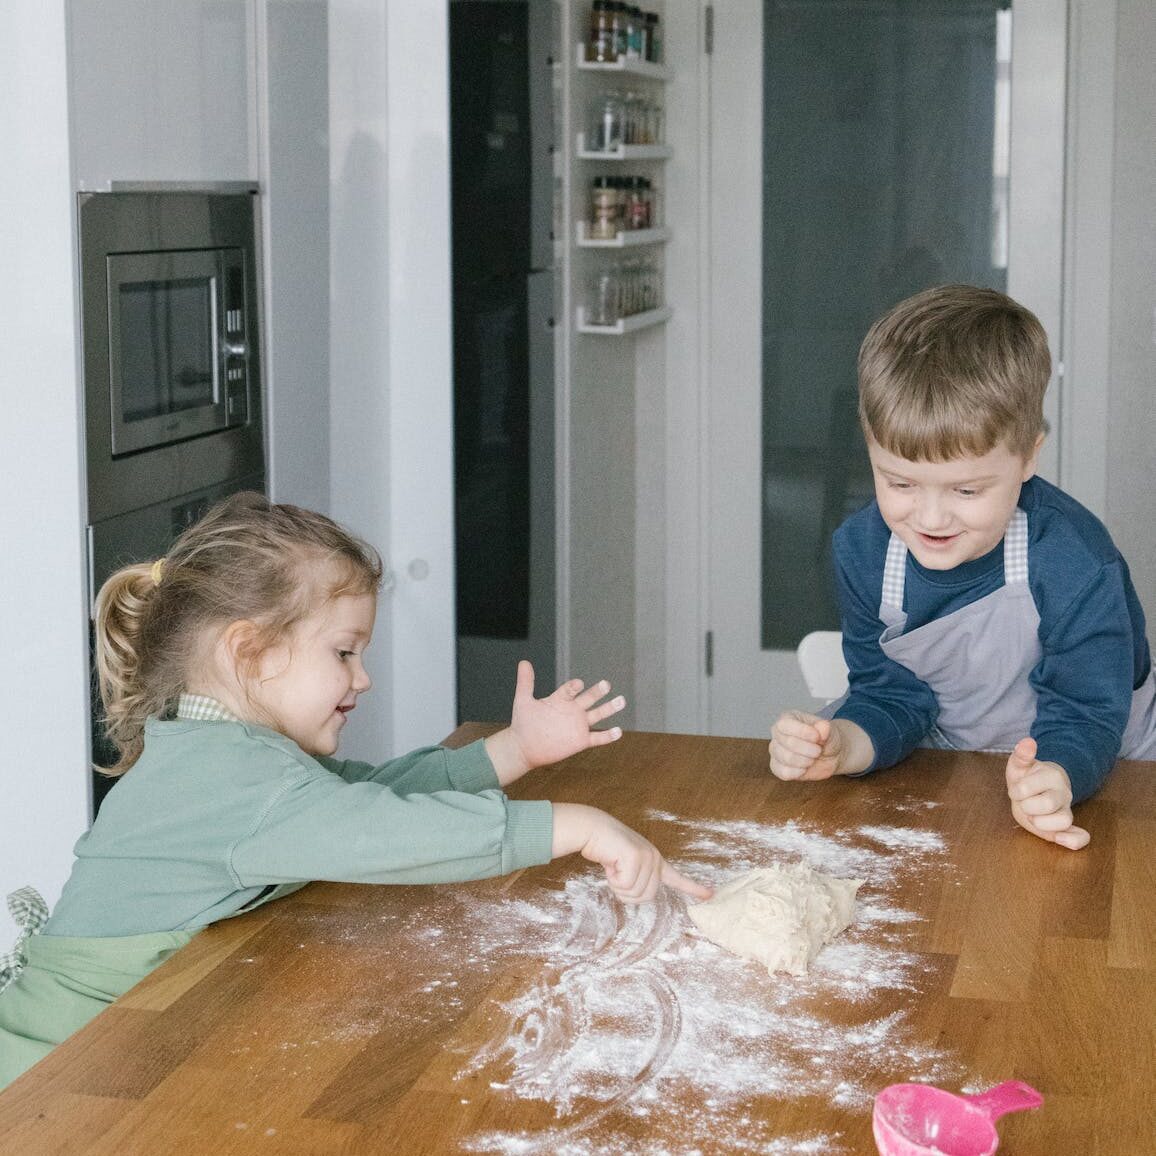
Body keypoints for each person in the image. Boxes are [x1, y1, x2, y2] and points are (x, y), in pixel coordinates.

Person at [0, 492, 710, 1088]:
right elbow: (384, 831)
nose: (361, 678)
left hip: (110, 1045)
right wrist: (577, 826)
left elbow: (369, 799)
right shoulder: (234, 779)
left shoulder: (233, 756)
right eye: (344, 652)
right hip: (52, 1072)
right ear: (248, 651)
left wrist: (514, 750)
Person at [770, 284, 1156, 851]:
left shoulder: (1076, 559)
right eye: (899, 482)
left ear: (1028, 456)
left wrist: (1057, 777)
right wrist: (844, 745)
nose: (930, 516)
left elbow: (1087, 709)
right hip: (954, 778)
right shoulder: (863, 551)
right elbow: (890, 695)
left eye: (967, 489)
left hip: (1105, 771)